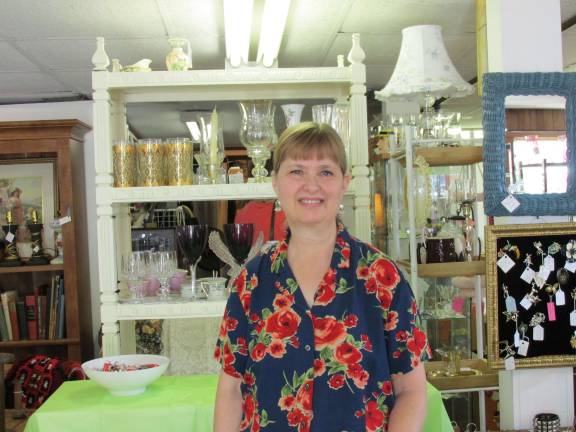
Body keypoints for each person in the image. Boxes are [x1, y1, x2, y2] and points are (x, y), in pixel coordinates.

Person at [214, 122, 429, 432]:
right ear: (276, 182)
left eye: (325, 172)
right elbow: (231, 391)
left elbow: (411, 390)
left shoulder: (382, 277)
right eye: (296, 171)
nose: (311, 185)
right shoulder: (251, 282)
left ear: (345, 182)